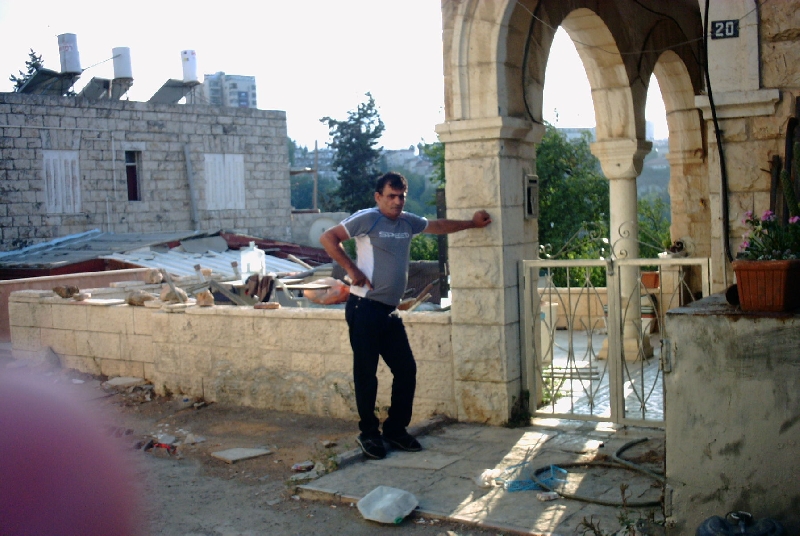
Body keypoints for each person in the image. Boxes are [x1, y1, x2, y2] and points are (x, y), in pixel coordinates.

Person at [319, 171, 492, 459]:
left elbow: (438, 225)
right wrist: (352, 270)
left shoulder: (407, 222)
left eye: (401, 197)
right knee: (366, 374)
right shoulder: (368, 218)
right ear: (378, 197)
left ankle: (395, 429)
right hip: (364, 308)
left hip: (389, 311)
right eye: (391, 196)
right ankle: (368, 434)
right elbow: (328, 237)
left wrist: (472, 224)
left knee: (406, 370)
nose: (397, 202)